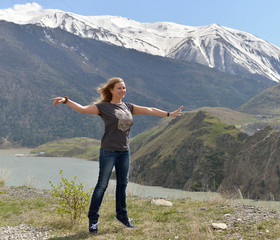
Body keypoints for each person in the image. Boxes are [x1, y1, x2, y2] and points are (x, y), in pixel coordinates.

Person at [52, 77, 183, 234]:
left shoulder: (128, 107)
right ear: (111, 90)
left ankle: (122, 216)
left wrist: (168, 114)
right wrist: (66, 101)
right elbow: (83, 109)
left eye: (124, 88)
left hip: (124, 151)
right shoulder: (104, 107)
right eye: (119, 88)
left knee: (122, 184)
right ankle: (93, 220)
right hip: (108, 151)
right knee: (102, 185)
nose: (123, 90)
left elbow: (150, 109)